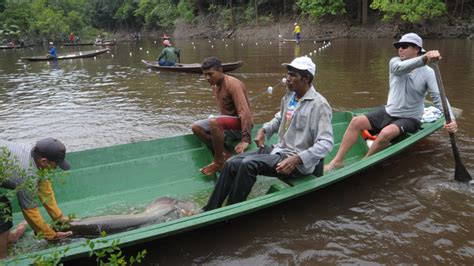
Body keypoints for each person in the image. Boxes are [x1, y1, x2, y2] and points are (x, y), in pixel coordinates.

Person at [202, 56, 334, 211]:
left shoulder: (319, 105)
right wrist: (264, 130)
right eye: (288, 74)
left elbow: (326, 143)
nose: (288, 79)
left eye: (293, 75)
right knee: (231, 163)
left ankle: (231, 211)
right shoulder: (291, 96)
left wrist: (297, 159)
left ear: (306, 78)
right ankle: (209, 209)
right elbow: (280, 117)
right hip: (279, 149)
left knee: (248, 165)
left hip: (295, 160)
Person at [324, 33, 458, 172]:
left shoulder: (428, 73)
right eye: (399, 46)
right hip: (390, 111)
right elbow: (401, 69)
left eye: (404, 46)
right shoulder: (394, 63)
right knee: (355, 122)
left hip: (410, 118)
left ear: (417, 49)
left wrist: (451, 119)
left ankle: (364, 162)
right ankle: (337, 161)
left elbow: (439, 97)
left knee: (386, 133)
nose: (400, 49)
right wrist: (424, 58)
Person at [0, 137, 73, 259]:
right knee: (2, 210)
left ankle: (8, 237)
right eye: (55, 165)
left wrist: (59, 218)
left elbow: (44, 189)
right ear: (44, 161)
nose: (56, 168)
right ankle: (2, 257)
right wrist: (51, 235)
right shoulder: (26, 175)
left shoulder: (34, 154)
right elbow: (30, 210)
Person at [191, 57, 253, 176]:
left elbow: (245, 112)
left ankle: (218, 160)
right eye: (205, 75)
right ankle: (224, 153)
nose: (207, 78)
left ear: (220, 70)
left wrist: (246, 139)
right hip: (227, 125)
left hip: (240, 126)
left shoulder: (233, 85)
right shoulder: (215, 85)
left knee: (214, 122)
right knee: (196, 127)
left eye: (210, 74)